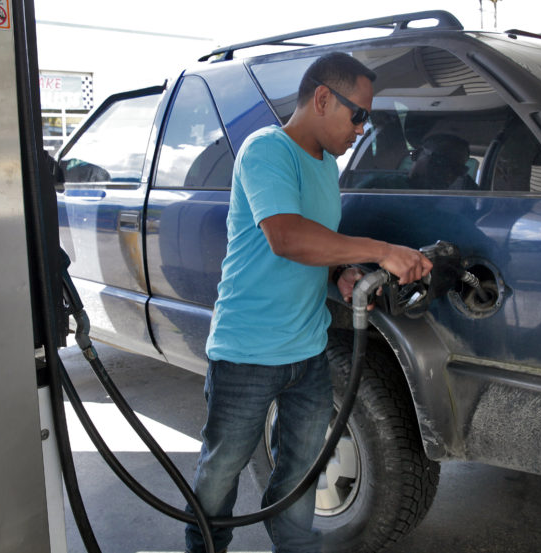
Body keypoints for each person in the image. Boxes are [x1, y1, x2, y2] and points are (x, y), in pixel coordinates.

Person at [185, 52, 433, 553]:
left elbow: (316, 247)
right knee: (220, 475)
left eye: (369, 118)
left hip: (308, 352)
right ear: (322, 98)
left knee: (300, 475)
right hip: (246, 353)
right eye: (358, 113)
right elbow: (287, 238)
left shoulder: (325, 167)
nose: (363, 128)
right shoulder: (266, 150)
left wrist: (341, 273)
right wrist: (383, 251)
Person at [408, 133, 478, 190]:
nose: (448, 173)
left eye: (458, 170)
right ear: (416, 154)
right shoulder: (397, 186)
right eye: (441, 162)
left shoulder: (463, 199)